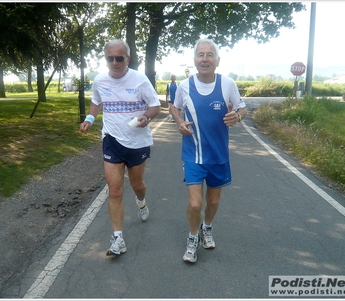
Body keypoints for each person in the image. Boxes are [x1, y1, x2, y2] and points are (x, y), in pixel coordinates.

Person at [80, 39, 161, 256]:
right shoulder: (100, 80)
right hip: (112, 140)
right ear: (106, 59)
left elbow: (155, 105)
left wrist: (145, 116)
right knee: (114, 190)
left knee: (137, 185)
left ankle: (141, 201)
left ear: (128, 59)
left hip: (137, 142)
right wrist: (89, 118)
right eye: (110, 58)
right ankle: (118, 240)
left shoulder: (140, 80)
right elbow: (97, 101)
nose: (115, 62)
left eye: (119, 58)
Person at [170, 38, 247, 263]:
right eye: (200, 55)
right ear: (195, 60)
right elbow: (174, 108)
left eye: (209, 55)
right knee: (196, 203)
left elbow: (243, 109)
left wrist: (237, 116)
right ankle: (193, 239)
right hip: (193, 154)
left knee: (212, 202)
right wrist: (179, 122)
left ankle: (207, 227)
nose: (205, 59)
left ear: (217, 60)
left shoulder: (227, 84)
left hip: (219, 155)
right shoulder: (185, 86)